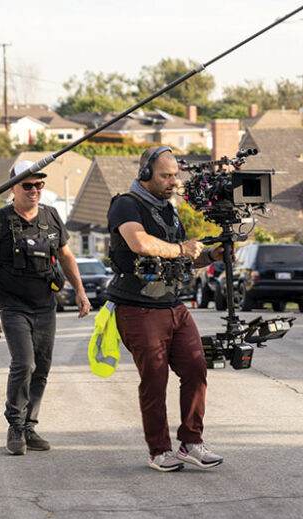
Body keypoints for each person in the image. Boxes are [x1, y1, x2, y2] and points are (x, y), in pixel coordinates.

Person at [105, 145, 225, 472]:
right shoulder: (125, 205)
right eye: (165, 175)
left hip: (173, 304)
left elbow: (182, 256)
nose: (173, 181)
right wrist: (180, 248)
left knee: (196, 368)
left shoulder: (169, 209)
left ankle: (191, 442)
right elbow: (140, 243)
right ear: (145, 174)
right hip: (137, 307)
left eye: (175, 175)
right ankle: (159, 450)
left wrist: (211, 256)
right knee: (155, 380)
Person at [0, 161, 90, 455]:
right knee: (23, 364)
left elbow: (66, 256)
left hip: (45, 306)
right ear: (12, 188)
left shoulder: (50, 217)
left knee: (41, 368)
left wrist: (80, 291)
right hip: (14, 308)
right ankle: (15, 425)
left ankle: (29, 426)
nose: (34, 190)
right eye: (27, 185)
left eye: (39, 185)